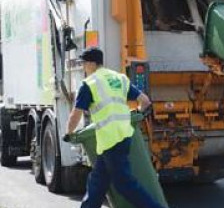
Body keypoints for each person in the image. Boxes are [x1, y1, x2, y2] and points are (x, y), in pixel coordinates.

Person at [65, 47, 165, 208]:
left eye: (84, 63)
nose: (83, 67)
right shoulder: (119, 78)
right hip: (124, 135)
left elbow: (75, 114)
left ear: (91, 63)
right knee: (98, 181)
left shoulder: (89, 84)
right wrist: (138, 112)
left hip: (111, 139)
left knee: (123, 184)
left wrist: (68, 133)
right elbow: (145, 101)